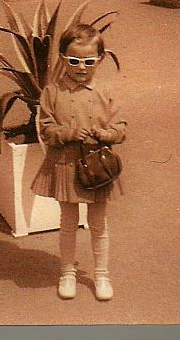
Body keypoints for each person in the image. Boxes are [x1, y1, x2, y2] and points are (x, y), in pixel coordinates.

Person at [31, 23, 127, 301]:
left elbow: (121, 127)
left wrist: (106, 134)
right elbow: (45, 129)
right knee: (68, 221)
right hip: (66, 164)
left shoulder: (106, 90)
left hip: (98, 168)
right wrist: (69, 133)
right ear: (62, 58)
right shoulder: (52, 92)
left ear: (100, 59)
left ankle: (102, 275)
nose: (81, 68)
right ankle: (67, 273)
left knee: (98, 223)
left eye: (88, 61)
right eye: (73, 61)